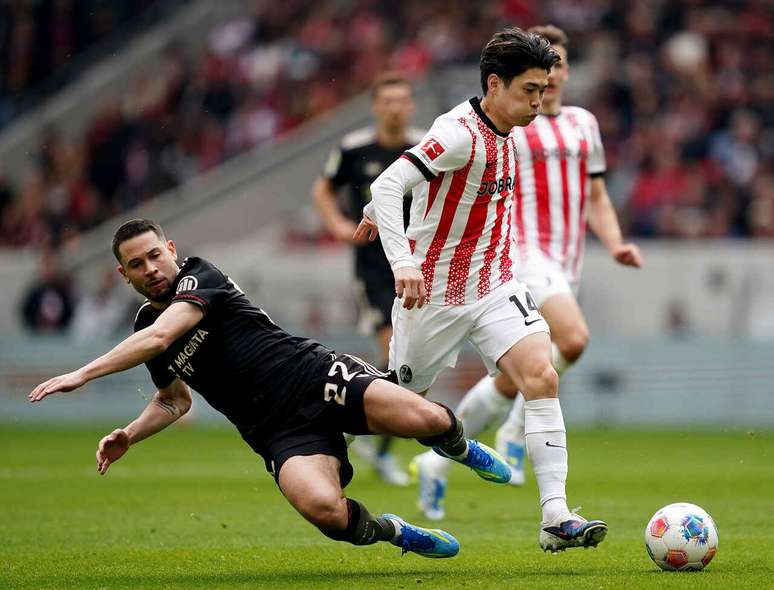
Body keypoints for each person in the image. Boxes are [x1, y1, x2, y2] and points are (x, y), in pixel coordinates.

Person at [28, 218, 512, 559]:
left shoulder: (201, 275)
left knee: (428, 419)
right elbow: (174, 400)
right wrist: (129, 435)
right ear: (124, 274)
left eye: (155, 255)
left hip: (314, 377)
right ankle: (397, 532)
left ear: (171, 249)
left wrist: (83, 373)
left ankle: (460, 447)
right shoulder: (144, 330)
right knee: (324, 512)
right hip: (274, 430)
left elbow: (161, 334)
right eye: (137, 264)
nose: (151, 268)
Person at [354, 27, 606, 553]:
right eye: (529, 90)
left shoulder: (507, 130)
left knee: (541, 375)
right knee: (402, 411)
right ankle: (353, 437)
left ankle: (555, 515)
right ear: (495, 84)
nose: (539, 101)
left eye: (544, 90)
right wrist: (403, 261)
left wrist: (380, 211)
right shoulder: (460, 132)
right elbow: (388, 183)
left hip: (494, 285)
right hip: (434, 297)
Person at [410, 24, 643, 520]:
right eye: (540, 73)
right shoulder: (517, 121)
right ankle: (514, 436)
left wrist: (616, 240)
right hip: (520, 252)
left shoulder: (583, 125)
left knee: (523, 377)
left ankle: (438, 462)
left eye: (558, 65)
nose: (551, 79)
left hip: (567, 257)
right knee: (574, 340)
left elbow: (596, 195)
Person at [312, 72, 425, 486]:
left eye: (402, 100)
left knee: (405, 361)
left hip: (420, 264)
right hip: (374, 268)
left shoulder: (426, 145)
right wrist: (338, 225)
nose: (395, 107)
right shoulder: (354, 149)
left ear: (410, 105)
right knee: (394, 349)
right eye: (388, 100)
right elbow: (322, 189)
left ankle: (359, 423)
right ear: (376, 106)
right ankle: (367, 433)